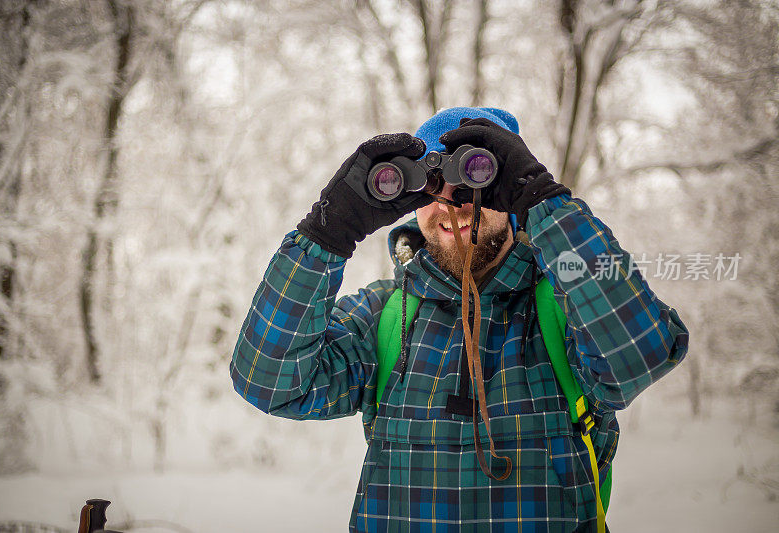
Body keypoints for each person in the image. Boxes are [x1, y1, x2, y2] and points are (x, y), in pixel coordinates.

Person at [230, 106, 689, 532]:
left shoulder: (568, 305)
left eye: (477, 179)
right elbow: (270, 383)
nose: (454, 202)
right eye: (431, 185)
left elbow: (639, 358)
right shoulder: (384, 316)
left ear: (512, 192)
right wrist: (327, 235)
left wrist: (547, 203)